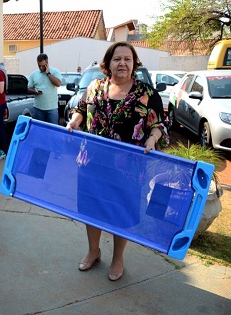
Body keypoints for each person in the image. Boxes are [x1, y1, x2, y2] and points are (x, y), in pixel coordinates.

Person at [66, 41, 169, 281]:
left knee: (120, 212)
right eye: (117, 58)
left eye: (127, 59)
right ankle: (93, 251)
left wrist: (152, 139)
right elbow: (80, 109)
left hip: (127, 169)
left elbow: (159, 125)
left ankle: (118, 257)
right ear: (108, 63)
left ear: (134, 64)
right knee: (91, 209)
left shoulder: (146, 93)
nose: (122, 63)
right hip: (91, 163)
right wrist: (75, 121)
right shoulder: (94, 87)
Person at [27, 53, 62, 124]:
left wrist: (48, 73)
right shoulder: (34, 74)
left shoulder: (55, 72)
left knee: (53, 130)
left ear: (47, 63)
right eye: (39, 65)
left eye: (43, 66)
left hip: (52, 108)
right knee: (39, 130)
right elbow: (28, 88)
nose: (41, 68)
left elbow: (58, 83)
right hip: (38, 108)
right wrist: (35, 91)